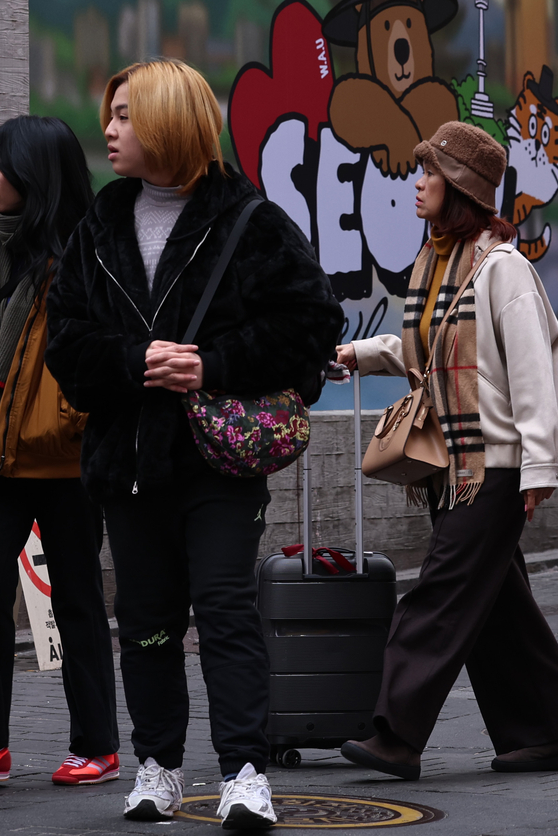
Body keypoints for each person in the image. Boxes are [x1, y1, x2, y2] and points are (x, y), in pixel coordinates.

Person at [44, 59, 342, 829]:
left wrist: (210, 363)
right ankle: (157, 766)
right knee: (144, 618)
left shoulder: (247, 217)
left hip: (217, 458)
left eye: (123, 115)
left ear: (169, 121)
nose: (107, 131)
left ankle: (246, 770)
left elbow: (310, 325)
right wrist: (130, 361)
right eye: (108, 115)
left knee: (224, 607)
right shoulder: (100, 222)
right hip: (127, 459)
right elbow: (65, 339)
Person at [333, 121, 558, 780]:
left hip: (492, 467)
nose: (417, 183)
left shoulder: (504, 270)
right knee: (497, 604)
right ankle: (548, 732)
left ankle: (393, 732)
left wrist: (539, 467)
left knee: (439, 594)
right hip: (450, 466)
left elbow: (532, 369)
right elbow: (426, 347)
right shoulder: (437, 262)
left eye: (431, 174)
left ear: (462, 190)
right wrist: (361, 355)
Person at [0, 116, 120, 787]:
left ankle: (96, 743)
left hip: (68, 463)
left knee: (78, 601)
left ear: (34, 176)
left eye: (1, 166)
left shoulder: (91, 258)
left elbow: (100, 354)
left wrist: (66, 417)